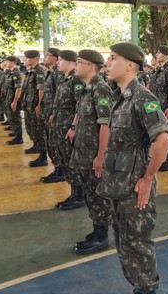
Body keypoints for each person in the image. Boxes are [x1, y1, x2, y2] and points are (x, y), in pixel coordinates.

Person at [97, 43, 168, 294]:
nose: (107, 63)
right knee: (125, 245)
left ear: (130, 64)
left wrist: (148, 178)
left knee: (137, 246)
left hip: (135, 189)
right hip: (119, 187)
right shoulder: (120, 97)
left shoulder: (142, 97)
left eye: (113, 58)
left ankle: (147, 290)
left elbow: (164, 138)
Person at [68, 49, 113, 255]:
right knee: (90, 194)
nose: (75, 65)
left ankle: (101, 236)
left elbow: (105, 125)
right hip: (84, 152)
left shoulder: (100, 89)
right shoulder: (87, 89)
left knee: (98, 195)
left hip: (94, 154)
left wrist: (101, 156)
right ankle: (96, 230)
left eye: (79, 62)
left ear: (91, 66)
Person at [51, 50, 86, 210]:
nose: (58, 62)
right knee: (65, 159)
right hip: (60, 125)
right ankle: (74, 192)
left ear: (71, 62)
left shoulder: (75, 80)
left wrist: (74, 126)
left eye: (61, 60)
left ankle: (79, 195)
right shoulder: (65, 80)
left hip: (68, 128)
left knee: (72, 161)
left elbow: (80, 104)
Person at [39, 48, 67, 182]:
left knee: (55, 144)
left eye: (48, 55)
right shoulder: (50, 72)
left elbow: (59, 96)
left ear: (55, 59)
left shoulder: (58, 74)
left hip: (54, 115)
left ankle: (60, 170)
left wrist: (53, 114)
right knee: (50, 142)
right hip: (49, 113)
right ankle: (57, 169)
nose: (45, 57)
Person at [21, 50, 48, 166]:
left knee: (38, 130)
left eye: (26, 58)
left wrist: (39, 105)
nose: (24, 60)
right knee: (30, 128)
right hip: (29, 105)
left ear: (34, 59)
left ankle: (43, 157)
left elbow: (41, 89)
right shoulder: (30, 71)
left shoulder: (38, 71)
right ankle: (36, 146)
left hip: (34, 106)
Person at [3, 56, 23, 144]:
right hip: (9, 98)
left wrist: (14, 101)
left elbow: (18, 88)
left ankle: (19, 137)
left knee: (15, 117)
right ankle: (16, 133)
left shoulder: (16, 73)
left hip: (13, 99)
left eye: (7, 61)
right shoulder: (11, 72)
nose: (6, 63)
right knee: (11, 117)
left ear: (12, 62)